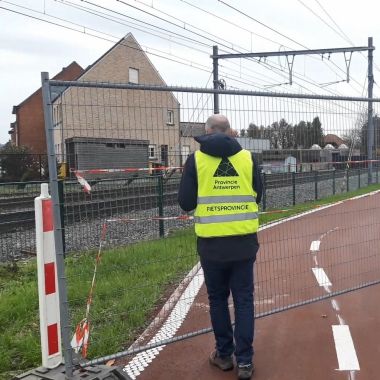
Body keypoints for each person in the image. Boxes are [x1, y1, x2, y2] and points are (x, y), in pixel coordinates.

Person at [178, 114, 262, 380]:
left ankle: (224, 355)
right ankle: (246, 362)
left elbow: (185, 202)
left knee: (217, 299)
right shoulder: (247, 158)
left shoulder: (197, 159)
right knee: (244, 300)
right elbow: (259, 195)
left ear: (209, 131)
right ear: (228, 131)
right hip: (243, 242)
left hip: (212, 245)